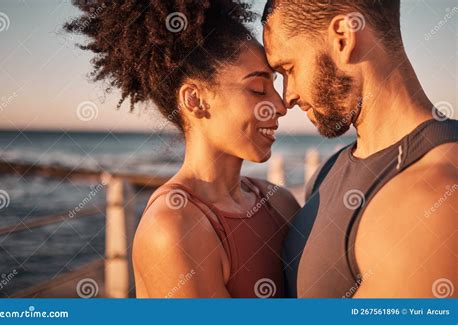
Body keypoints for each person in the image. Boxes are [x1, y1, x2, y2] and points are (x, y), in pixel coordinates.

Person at [65, 0, 300, 298]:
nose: (280, 106)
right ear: (194, 100)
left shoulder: (280, 202)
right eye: (257, 89)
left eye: (275, 87)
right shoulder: (173, 227)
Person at [262, 0, 457, 298]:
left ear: (343, 37)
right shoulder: (328, 172)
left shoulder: (435, 198)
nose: (287, 97)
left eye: (289, 68)